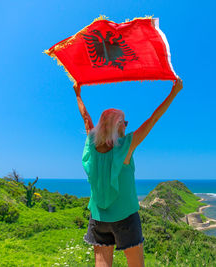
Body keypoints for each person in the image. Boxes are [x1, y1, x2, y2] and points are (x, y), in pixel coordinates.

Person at [74, 78, 183, 267]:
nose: (126, 125)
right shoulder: (125, 146)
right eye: (124, 122)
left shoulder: (92, 143)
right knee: (135, 264)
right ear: (117, 126)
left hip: (98, 217)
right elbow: (153, 119)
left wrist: (78, 93)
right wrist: (174, 92)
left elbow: (86, 118)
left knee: (102, 263)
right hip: (125, 215)